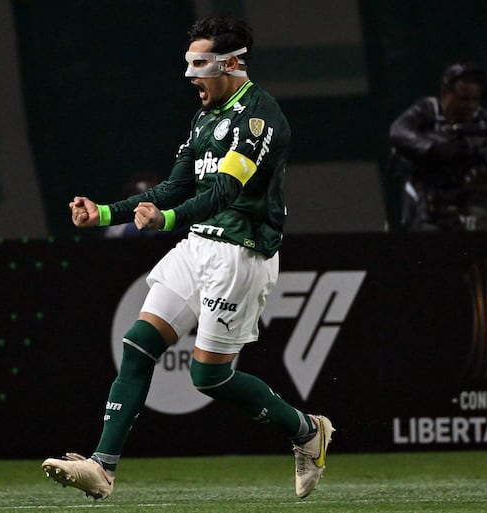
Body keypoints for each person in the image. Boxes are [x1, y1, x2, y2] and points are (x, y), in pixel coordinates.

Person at [41, 16, 333, 500]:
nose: (191, 76)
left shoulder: (258, 118)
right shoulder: (204, 118)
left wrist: (166, 221)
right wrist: (105, 214)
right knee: (138, 345)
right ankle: (102, 467)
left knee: (209, 377)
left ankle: (306, 430)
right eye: (189, 64)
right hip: (198, 246)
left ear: (233, 64)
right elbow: (176, 187)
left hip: (240, 254)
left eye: (201, 65)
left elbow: (223, 191)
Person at [388, 62, 487, 231]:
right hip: (430, 215)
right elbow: (398, 131)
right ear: (445, 93)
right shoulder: (427, 113)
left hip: (480, 218)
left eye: (475, 99)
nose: (470, 106)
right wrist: (436, 149)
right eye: (462, 99)